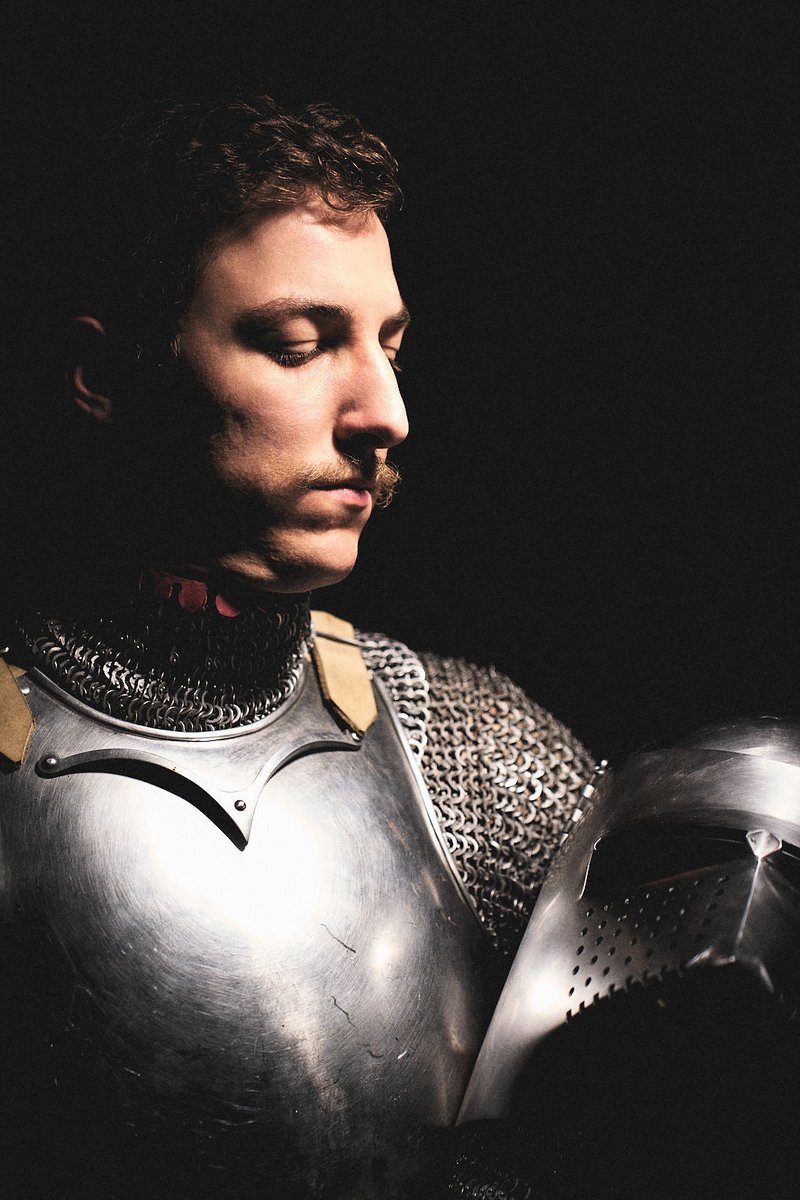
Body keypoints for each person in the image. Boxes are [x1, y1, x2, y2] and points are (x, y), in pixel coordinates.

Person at [0, 93, 593, 1199]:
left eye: (390, 347)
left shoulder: (468, 749)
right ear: (105, 376)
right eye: (297, 345)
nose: (385, 415)